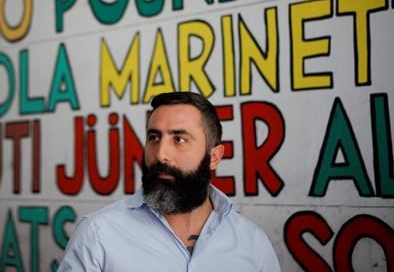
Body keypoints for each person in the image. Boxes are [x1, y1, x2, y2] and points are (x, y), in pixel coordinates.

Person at [57, 91, 281, 272]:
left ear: (214, 157)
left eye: (180, 139)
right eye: (154, 138)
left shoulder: (252, 243)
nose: (160, 154)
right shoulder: (99, 235)